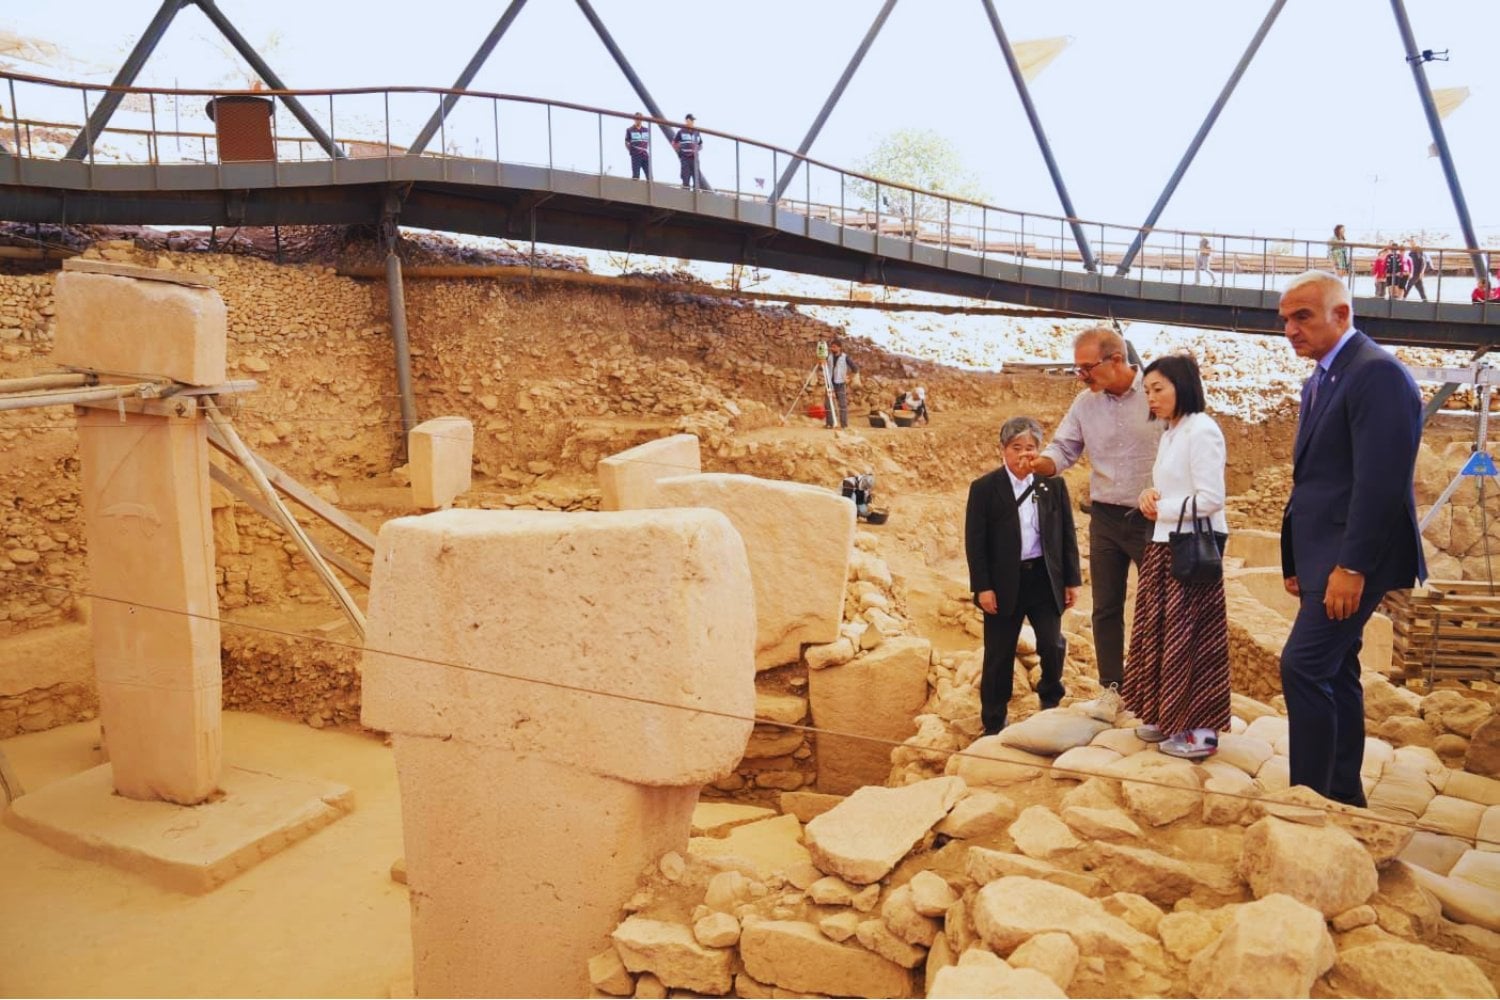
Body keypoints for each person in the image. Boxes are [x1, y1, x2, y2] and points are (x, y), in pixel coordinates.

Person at [1278, 270, 1424, 807]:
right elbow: (1315, 481)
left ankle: (1310, 799)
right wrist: (1296, 558)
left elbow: (1380, 484)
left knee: (1303, 665)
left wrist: (1352, 567)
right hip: (1324, 554)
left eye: (1303, 317)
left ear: (1342, 315)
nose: (1290, 329)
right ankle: (1341, 797)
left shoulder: (1377, 374)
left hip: (1353, 557)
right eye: (1285, 320)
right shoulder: (1322, 377)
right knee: (1336, 671)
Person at [1031, 327, 1161, 693]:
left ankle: (1154, 689)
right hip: (1104, 517)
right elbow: (1064, 447)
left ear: (1117, 360)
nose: (1081, 376)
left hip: (1151, 519)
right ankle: (1112, 689)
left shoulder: (1156, 394)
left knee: (1156, 608)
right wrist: (1041, 463)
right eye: (1078, 368)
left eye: (1087, 367)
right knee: (1105, 607)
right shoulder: (1085, 404)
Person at [1125, 353, 1231, 760]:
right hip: (1167, 541)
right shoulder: (1172, 431)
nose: (1150, 398)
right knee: (1162, 631)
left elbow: (1211, 498)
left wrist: (1162, 508)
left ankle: (1200, 732)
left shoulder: (1201, 430)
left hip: (1191, 547)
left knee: (1192, 636)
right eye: (1147, 390)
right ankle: (1165, 715)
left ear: (1182, 386)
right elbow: (1169, 487)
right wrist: (1149, 497)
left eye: (1158, 389)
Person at [965, 416, 1082, 735]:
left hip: (1044, 578)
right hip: (1004, 583)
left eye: (1030, 448)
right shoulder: (985, 488)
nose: (1023, 455)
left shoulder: (1052, 484)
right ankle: (993, 719)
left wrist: (1072, 580)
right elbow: (975, 543)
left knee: (1052, 642)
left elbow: (1066, 535)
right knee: (999, 653)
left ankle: (1049, 700)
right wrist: (983, 587)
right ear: (1003, 450)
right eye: (1016, 447)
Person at [824, 338, 858, 428]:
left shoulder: (845, 357)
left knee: (842, 405)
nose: (832, 349)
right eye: (831, 347)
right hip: (830, 383)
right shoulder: (829, 356)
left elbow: (855, 369)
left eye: (834, 347)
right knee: (828, 404)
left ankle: (844, 425)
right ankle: (829, 424)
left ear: (839, 348)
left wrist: (849, 378)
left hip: (840, 383)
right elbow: (823, 367)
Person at [673, 114, 704, 190]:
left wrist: (696, 150)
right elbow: (674, 143)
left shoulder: (696, 132)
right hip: (685, 157)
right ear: (687, 120)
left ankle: (696, 194)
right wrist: (679, 152)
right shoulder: (681, 132)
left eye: (693, 120)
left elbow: (701, 144)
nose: (693, 122)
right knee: (685, 176)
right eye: (691, 120)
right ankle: (686, 192)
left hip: (694, 158)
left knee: (696, 177)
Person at [625, 112, 651, 180]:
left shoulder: (646, 130)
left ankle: (650, 188)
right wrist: (632, 151)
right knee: (636, 175)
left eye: (639, 118)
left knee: (649, 175)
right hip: (636, 154)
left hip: (645, 154)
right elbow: (627, 142)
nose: (638, 120)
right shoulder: (630, 130)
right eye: (636, 118)